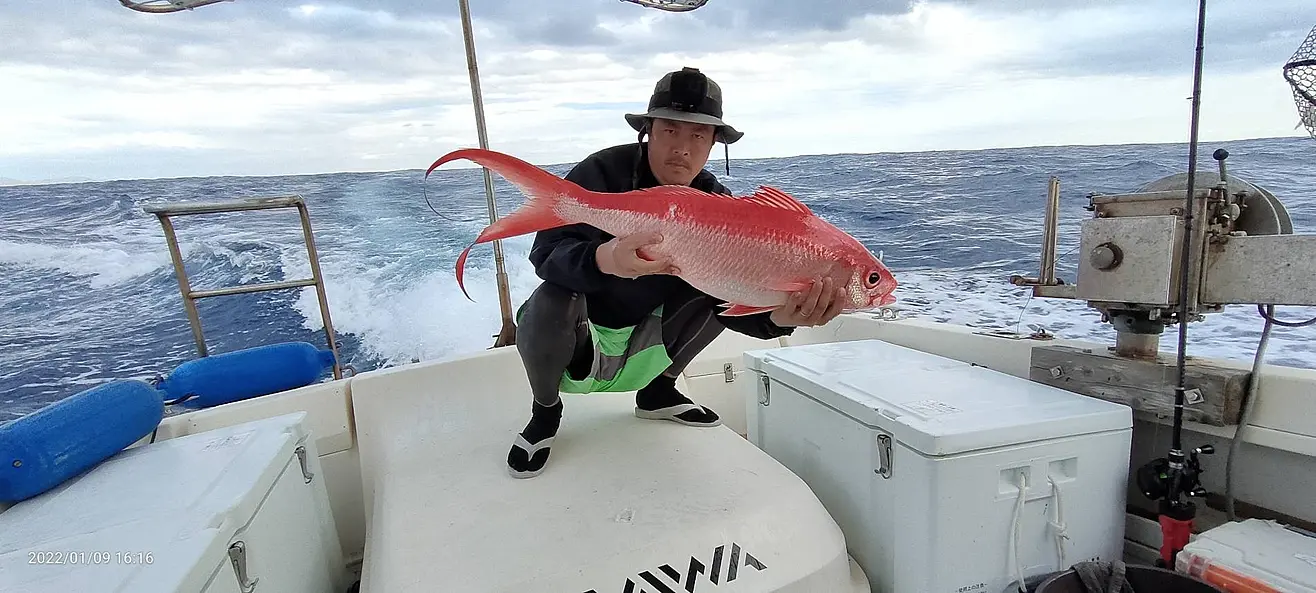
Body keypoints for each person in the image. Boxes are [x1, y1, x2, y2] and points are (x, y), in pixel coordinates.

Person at [508, 66, 847, 478]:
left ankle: (657, 393)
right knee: (549, 298)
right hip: (582, 330)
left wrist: (780, 318)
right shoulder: (599, 175)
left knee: (718, 273)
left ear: (714, 145)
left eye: (698, 136)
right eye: (671, 130)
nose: (682, 149)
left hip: (654, 332)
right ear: (648, 130)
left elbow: (732, 301)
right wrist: (606, 259)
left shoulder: (719, 205)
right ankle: (545, 412)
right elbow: (546, 255)